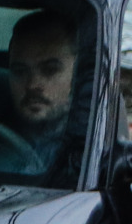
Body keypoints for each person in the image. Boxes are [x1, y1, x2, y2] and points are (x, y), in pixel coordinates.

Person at [6, 10, 83, 153]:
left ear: (78, 73)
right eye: (20, 71)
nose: (32, 85)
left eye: (50, 70)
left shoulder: (90, 143)